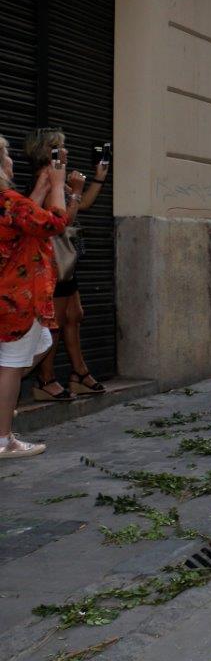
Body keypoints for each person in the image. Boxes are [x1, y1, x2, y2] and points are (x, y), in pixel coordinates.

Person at [0, 134, 77, 458]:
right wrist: (59, 185)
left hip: (11, 295)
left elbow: (23, 220)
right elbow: (54, 223)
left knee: (39, 345)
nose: (12, 160)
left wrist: (44, 186)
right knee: (13, 364)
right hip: (19, 298)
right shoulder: (8, 200)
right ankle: (4, 439)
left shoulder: (11, 203)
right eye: (7, 155)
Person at [26, 128, 111, 400]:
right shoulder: (46, 179)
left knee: (74, 315)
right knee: (57, 322)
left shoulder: (57, 177)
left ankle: (78, 373)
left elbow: (82, 204)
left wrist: (98, 178)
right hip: (53, 263)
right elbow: (63, 221)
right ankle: (46, 379)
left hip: (65, 263)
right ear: (48, 151)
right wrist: (74, 191)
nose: (66, 152)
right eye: (60, 148)